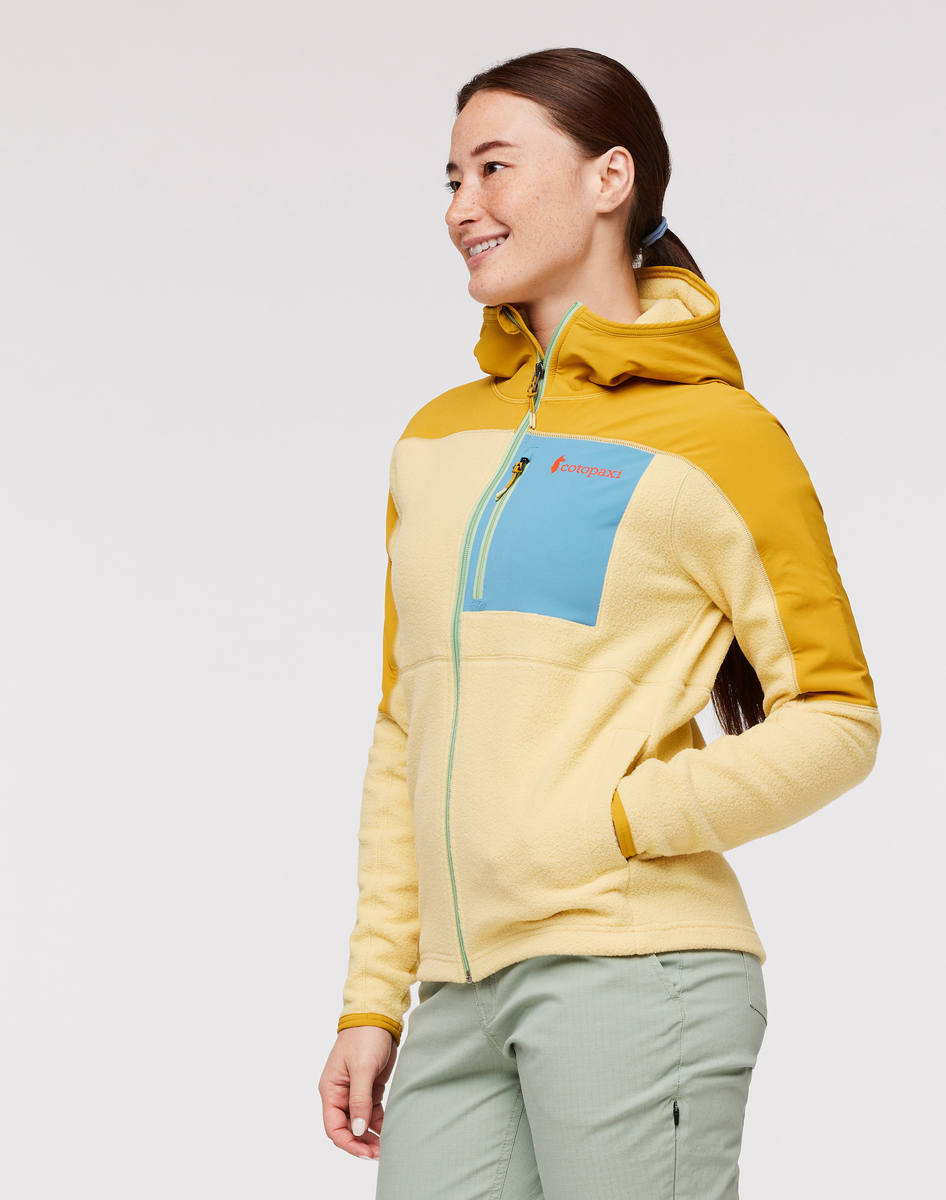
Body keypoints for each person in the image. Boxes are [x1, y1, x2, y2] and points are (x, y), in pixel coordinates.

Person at [317, 47, 880, 1200]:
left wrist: (618, 819)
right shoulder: (437, 442)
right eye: (451, 179)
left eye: (493, 168)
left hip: (635, 971)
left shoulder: (719, 437)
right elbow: (405, 725)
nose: (462, 207)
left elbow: (837, 715)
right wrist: (373, 997)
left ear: (610, 177)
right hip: (459, 991)